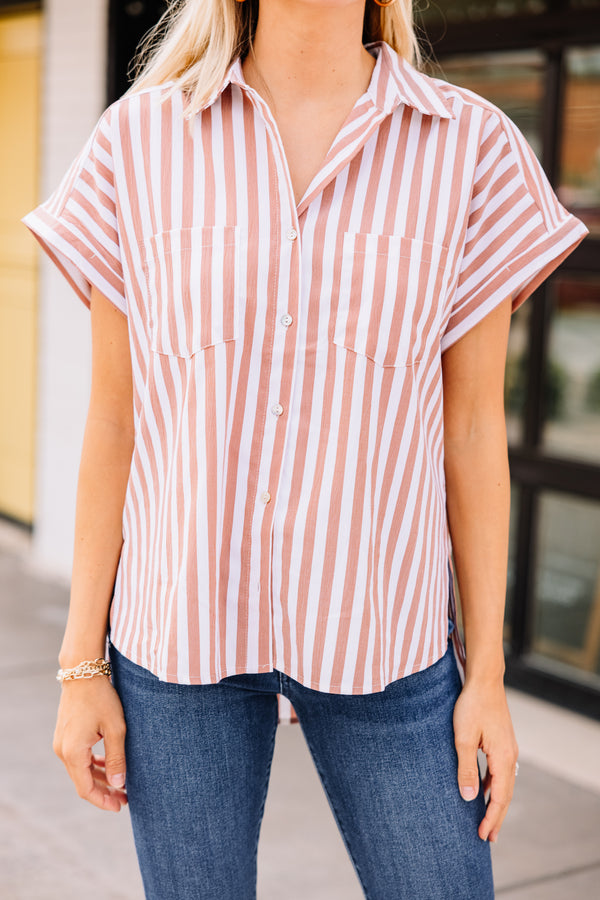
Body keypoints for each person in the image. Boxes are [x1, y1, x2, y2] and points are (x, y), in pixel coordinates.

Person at [22, 0, 588, 897]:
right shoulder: (137, 142)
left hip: (386, 643)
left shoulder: (469, 149)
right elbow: (114, 423)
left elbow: (474, 433)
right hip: (179, 644)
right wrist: (80, 665)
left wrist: (485, 678)